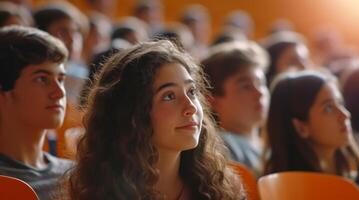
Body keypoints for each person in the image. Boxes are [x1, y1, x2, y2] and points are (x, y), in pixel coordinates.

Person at [67, 40, 244, 200]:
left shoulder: (221, 189)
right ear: (131, 113)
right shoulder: (101, 194)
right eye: (169, 96)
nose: (191, 107)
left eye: (191, 91)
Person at [265, 70, 359, 200]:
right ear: (301, 127)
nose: (345, 114)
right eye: (328, 108)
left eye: (340, 103)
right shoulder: (283, 193)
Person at [0, 25, 73, 200]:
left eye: (61, 79)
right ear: (4, 91)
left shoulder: (76, 177)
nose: (60, 92)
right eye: (42, 79)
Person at [201, 41, 269, 177]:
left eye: (261, 83)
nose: (260, 93)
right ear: (212, 100)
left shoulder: (268, 147)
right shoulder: (221, 147)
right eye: (246, 86)